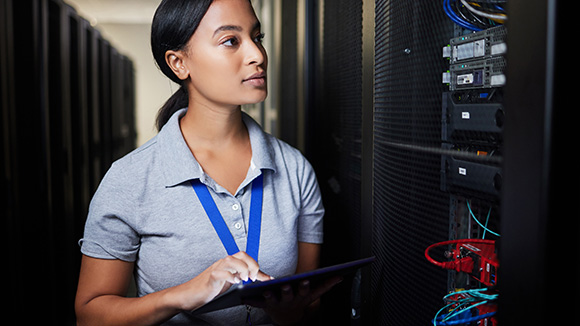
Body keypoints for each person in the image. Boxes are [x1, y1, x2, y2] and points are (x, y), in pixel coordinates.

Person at [75, 0, 339, 325]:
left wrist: (290, 312)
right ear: (179, 63)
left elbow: (308, 304)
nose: (257, 55)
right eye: (231, 41)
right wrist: (184, 294)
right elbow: (90, 316)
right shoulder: (129, 179)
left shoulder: (296, 170)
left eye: (258, 37)